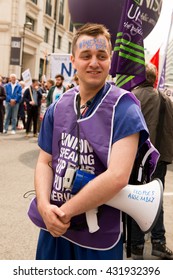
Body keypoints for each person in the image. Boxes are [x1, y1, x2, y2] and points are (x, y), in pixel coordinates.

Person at [32, 23, 150, 260]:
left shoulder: (125, 109)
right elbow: (45, 162)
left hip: (98, 238)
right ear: (73, 60)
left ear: (110, 61)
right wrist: (44, 207)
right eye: (86, 56)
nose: (94, 62)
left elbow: (118, 176)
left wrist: (62, 213)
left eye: (101, 56)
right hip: (54, 229)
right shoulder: (58, 106)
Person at [131, 63, 173, 260]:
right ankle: (158, 243)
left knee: (134, 199)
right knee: (156, 201)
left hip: (134, 158)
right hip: (158, 159)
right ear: (154, 79)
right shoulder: (165, 99)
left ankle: (136, 245)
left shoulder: (130, 97)